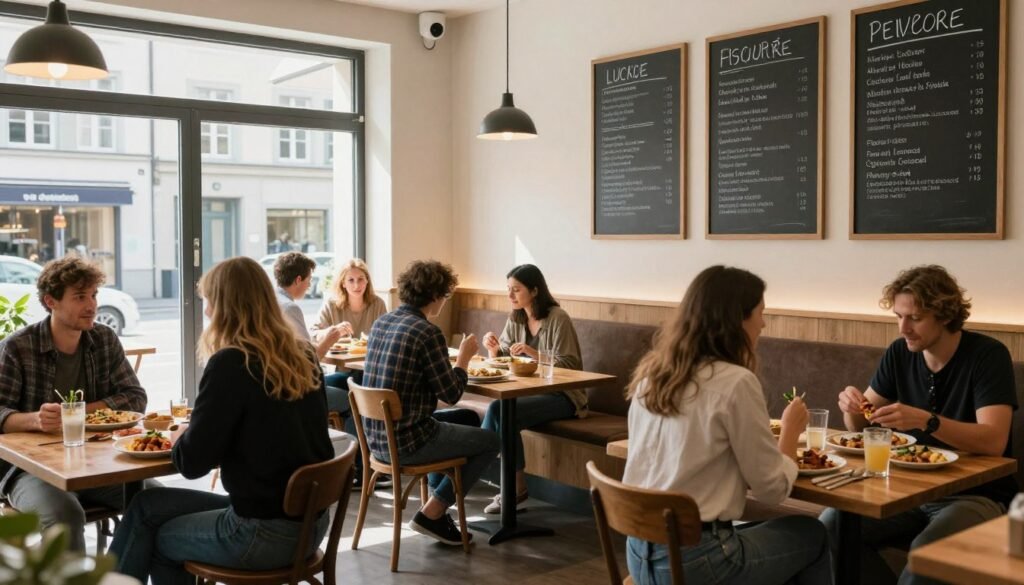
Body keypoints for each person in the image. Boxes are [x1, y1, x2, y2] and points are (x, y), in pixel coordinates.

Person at [109, 256, 333, 583]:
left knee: (161, 536)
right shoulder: (304, 354)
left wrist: (178, 435)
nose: (207, 311)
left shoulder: (232, 363)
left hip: (262, 532)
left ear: (226, 305)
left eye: (209, 301)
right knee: (146, 505)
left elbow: (192, 464)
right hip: (310, 524)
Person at [623, 265, 832, 585]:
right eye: (761, 312)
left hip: (639, 555)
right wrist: (791, 431)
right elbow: (772, 490)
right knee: (811, 532)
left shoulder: (651, 375)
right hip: (697, 563)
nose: (764, 323)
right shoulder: (735, 382)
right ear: (738, 320)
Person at [823, 265, 1017, 585]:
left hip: (975, 495)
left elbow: (994, 441)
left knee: (925, 556)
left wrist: (927, 421)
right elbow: (861, 426)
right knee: (830, 527)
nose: (903, 328)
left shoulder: (988, 356)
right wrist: (852, 406)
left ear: (944, 314)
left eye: (914, 318)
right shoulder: (900, 352)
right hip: (905, 491)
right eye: (898, 316)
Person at [0, 256, 148, 552]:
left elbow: (134, 396)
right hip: (29, 470)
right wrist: (35, 420)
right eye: (80, 297)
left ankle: (121, 574)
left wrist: (80, 412)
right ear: (50, 301)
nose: (92, 305)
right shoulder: (19, 347)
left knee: (153, 504)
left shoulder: (103, 338)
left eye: (94, 295)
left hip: (97, 463)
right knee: (65, 516)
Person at [361, 259, 499, 545]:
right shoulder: (427, 332)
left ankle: (438, 503)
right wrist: (463, 359)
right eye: (445, 296)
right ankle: (433, 512)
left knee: (467, 419)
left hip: (376, 439)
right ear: (436, 296)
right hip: (408, 442)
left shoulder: (382, 322)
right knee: (491, 441)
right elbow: (451, 395)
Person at [479, 264, 583, 514]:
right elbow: (504, 354)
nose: (510, 295)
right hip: (529, 392)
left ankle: (483, 471)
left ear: (535, 291)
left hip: (564, 396)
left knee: (500, 411)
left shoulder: (558, 318)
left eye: (516, 289)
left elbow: (572, 364)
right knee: (502, 410)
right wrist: (493, 348)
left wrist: (533, 354)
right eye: (508, 289)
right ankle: (512, 487)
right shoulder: (516, 318)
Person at [312, 258, 387, 416]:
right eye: (351, 280)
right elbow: (313, 333)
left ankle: (364, 430)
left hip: (369, 369)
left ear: (367, 281)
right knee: (355, 392)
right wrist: (332, 331)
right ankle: (360, 431)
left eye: (360, 279)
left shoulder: (377, 304)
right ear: (343, 283)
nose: (356, 285)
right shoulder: (331, 305)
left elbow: (386, 336)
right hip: (341, 370)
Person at [273, 251, 343, 359]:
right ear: (298, 280)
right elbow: (309, 360)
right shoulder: (289, 308)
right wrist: (328, 341)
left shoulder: (272, 300)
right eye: (309, 280)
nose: (309, 285)